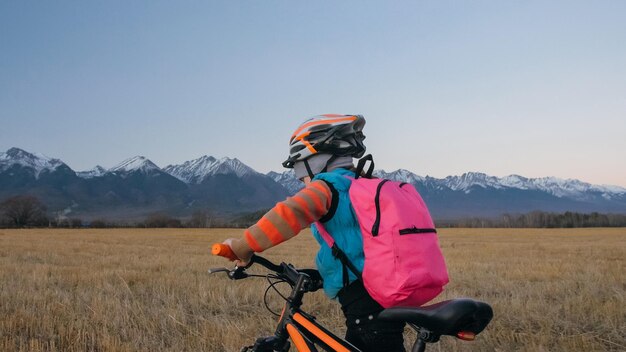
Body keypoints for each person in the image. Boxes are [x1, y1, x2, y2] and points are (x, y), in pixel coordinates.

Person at [221, 114, 406, 352]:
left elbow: (289, 214)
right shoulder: (362, 184)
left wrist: (242, 246)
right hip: (384, 293)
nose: (301, 178)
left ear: (316, 158)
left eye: (299, 167)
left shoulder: (329, 185)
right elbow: (357, 245)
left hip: (364, 300)